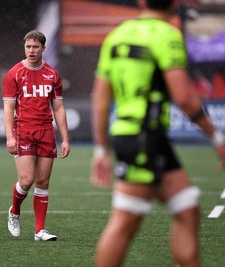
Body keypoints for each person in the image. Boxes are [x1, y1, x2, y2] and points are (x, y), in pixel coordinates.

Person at [90, 0, 225, 266]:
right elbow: (184, 98)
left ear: (141, 1)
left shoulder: (118, 34)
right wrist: (216, 136)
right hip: (144, 138)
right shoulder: (168, 34)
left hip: (141, 137)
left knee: (188, 211)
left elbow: (100, 98)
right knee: (124, 222)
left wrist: (101, 148)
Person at [3, 30, 70, 241]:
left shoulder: (53, 74)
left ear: (43, 48)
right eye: (28, 47)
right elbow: (8, 109)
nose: (31, 51)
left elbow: (58, 108)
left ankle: (39, 231)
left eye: (35, 47)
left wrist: (65, 139)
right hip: (23, 130)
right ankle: (14, 212)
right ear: (24, 48)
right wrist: (9, 137)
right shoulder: (14, 74)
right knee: (26, 180)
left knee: (42, 181)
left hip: (46, 132)